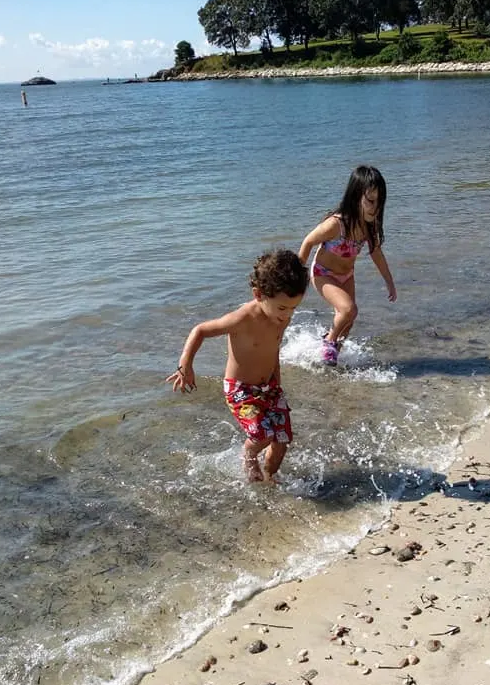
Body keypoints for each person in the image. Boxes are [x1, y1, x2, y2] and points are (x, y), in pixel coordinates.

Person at [166, 249, 309, 483]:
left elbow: (273, 350)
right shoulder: (242, 318)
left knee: (282, 440)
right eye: (282, 308)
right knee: (261, 436)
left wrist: (277, 384)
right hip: (240, 391)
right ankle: (250, 453)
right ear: (259, 294)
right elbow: (200, 330)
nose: (287, 315)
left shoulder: (281, 317)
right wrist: (186, 365)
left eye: (294, 308)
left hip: (270, 386)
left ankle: (270, 480)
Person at [299, 165, 396, 366]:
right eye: (370, 201)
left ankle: (331, 358)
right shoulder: (336, 224)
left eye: (379, 202)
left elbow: (376, 253)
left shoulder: (370, 227)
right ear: (356, 196)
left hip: (346, 275)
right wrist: (298, 273)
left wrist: (389, 281)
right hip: (322, 274)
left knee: (349, 320)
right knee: (349, 309)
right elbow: (308, 241)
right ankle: (328, 341)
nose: (375, 207)